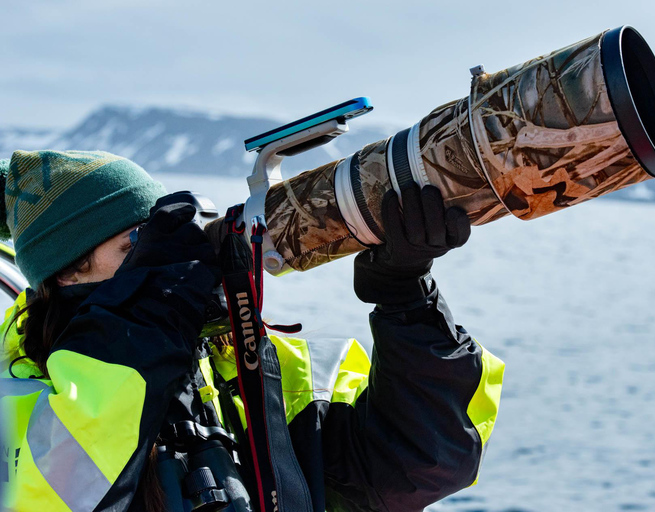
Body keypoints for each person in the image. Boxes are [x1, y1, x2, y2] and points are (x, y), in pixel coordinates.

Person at [0, 150, 504, 512]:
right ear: (67, 275)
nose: (167, 264)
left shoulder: (254, 368)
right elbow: (67, 494)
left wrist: (404, 299)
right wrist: (150, 312)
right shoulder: (22, 398)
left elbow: (424, 463)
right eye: (136, 247)